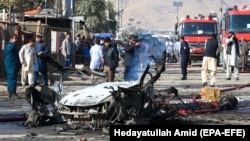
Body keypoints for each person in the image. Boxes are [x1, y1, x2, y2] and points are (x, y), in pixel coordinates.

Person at [4, 34, 21, 99]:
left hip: (12, 65)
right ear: (11, 39)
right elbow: (10, 49)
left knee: (11, 79)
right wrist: (13, 43)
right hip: (11, 65)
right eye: (15, 39)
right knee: (12, 79)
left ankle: (11, 92)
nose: (16, 40)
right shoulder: (10, 46)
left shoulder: (11, 46)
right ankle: (12, 93)